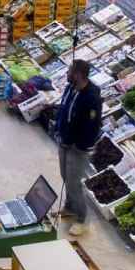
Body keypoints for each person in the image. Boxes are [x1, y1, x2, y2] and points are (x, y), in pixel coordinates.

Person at [55, 59, 102, 237]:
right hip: (64, 140)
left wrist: (78, 144)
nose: (66, 74)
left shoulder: (91, 97)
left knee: (74, 182)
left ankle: (82, 219)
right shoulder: (71, 88)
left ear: (78, 75)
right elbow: (64, 109)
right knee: (65, 175)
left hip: (78, 147)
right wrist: (59, 129)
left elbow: (91, 126)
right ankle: (70, 206)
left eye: (69, 71)